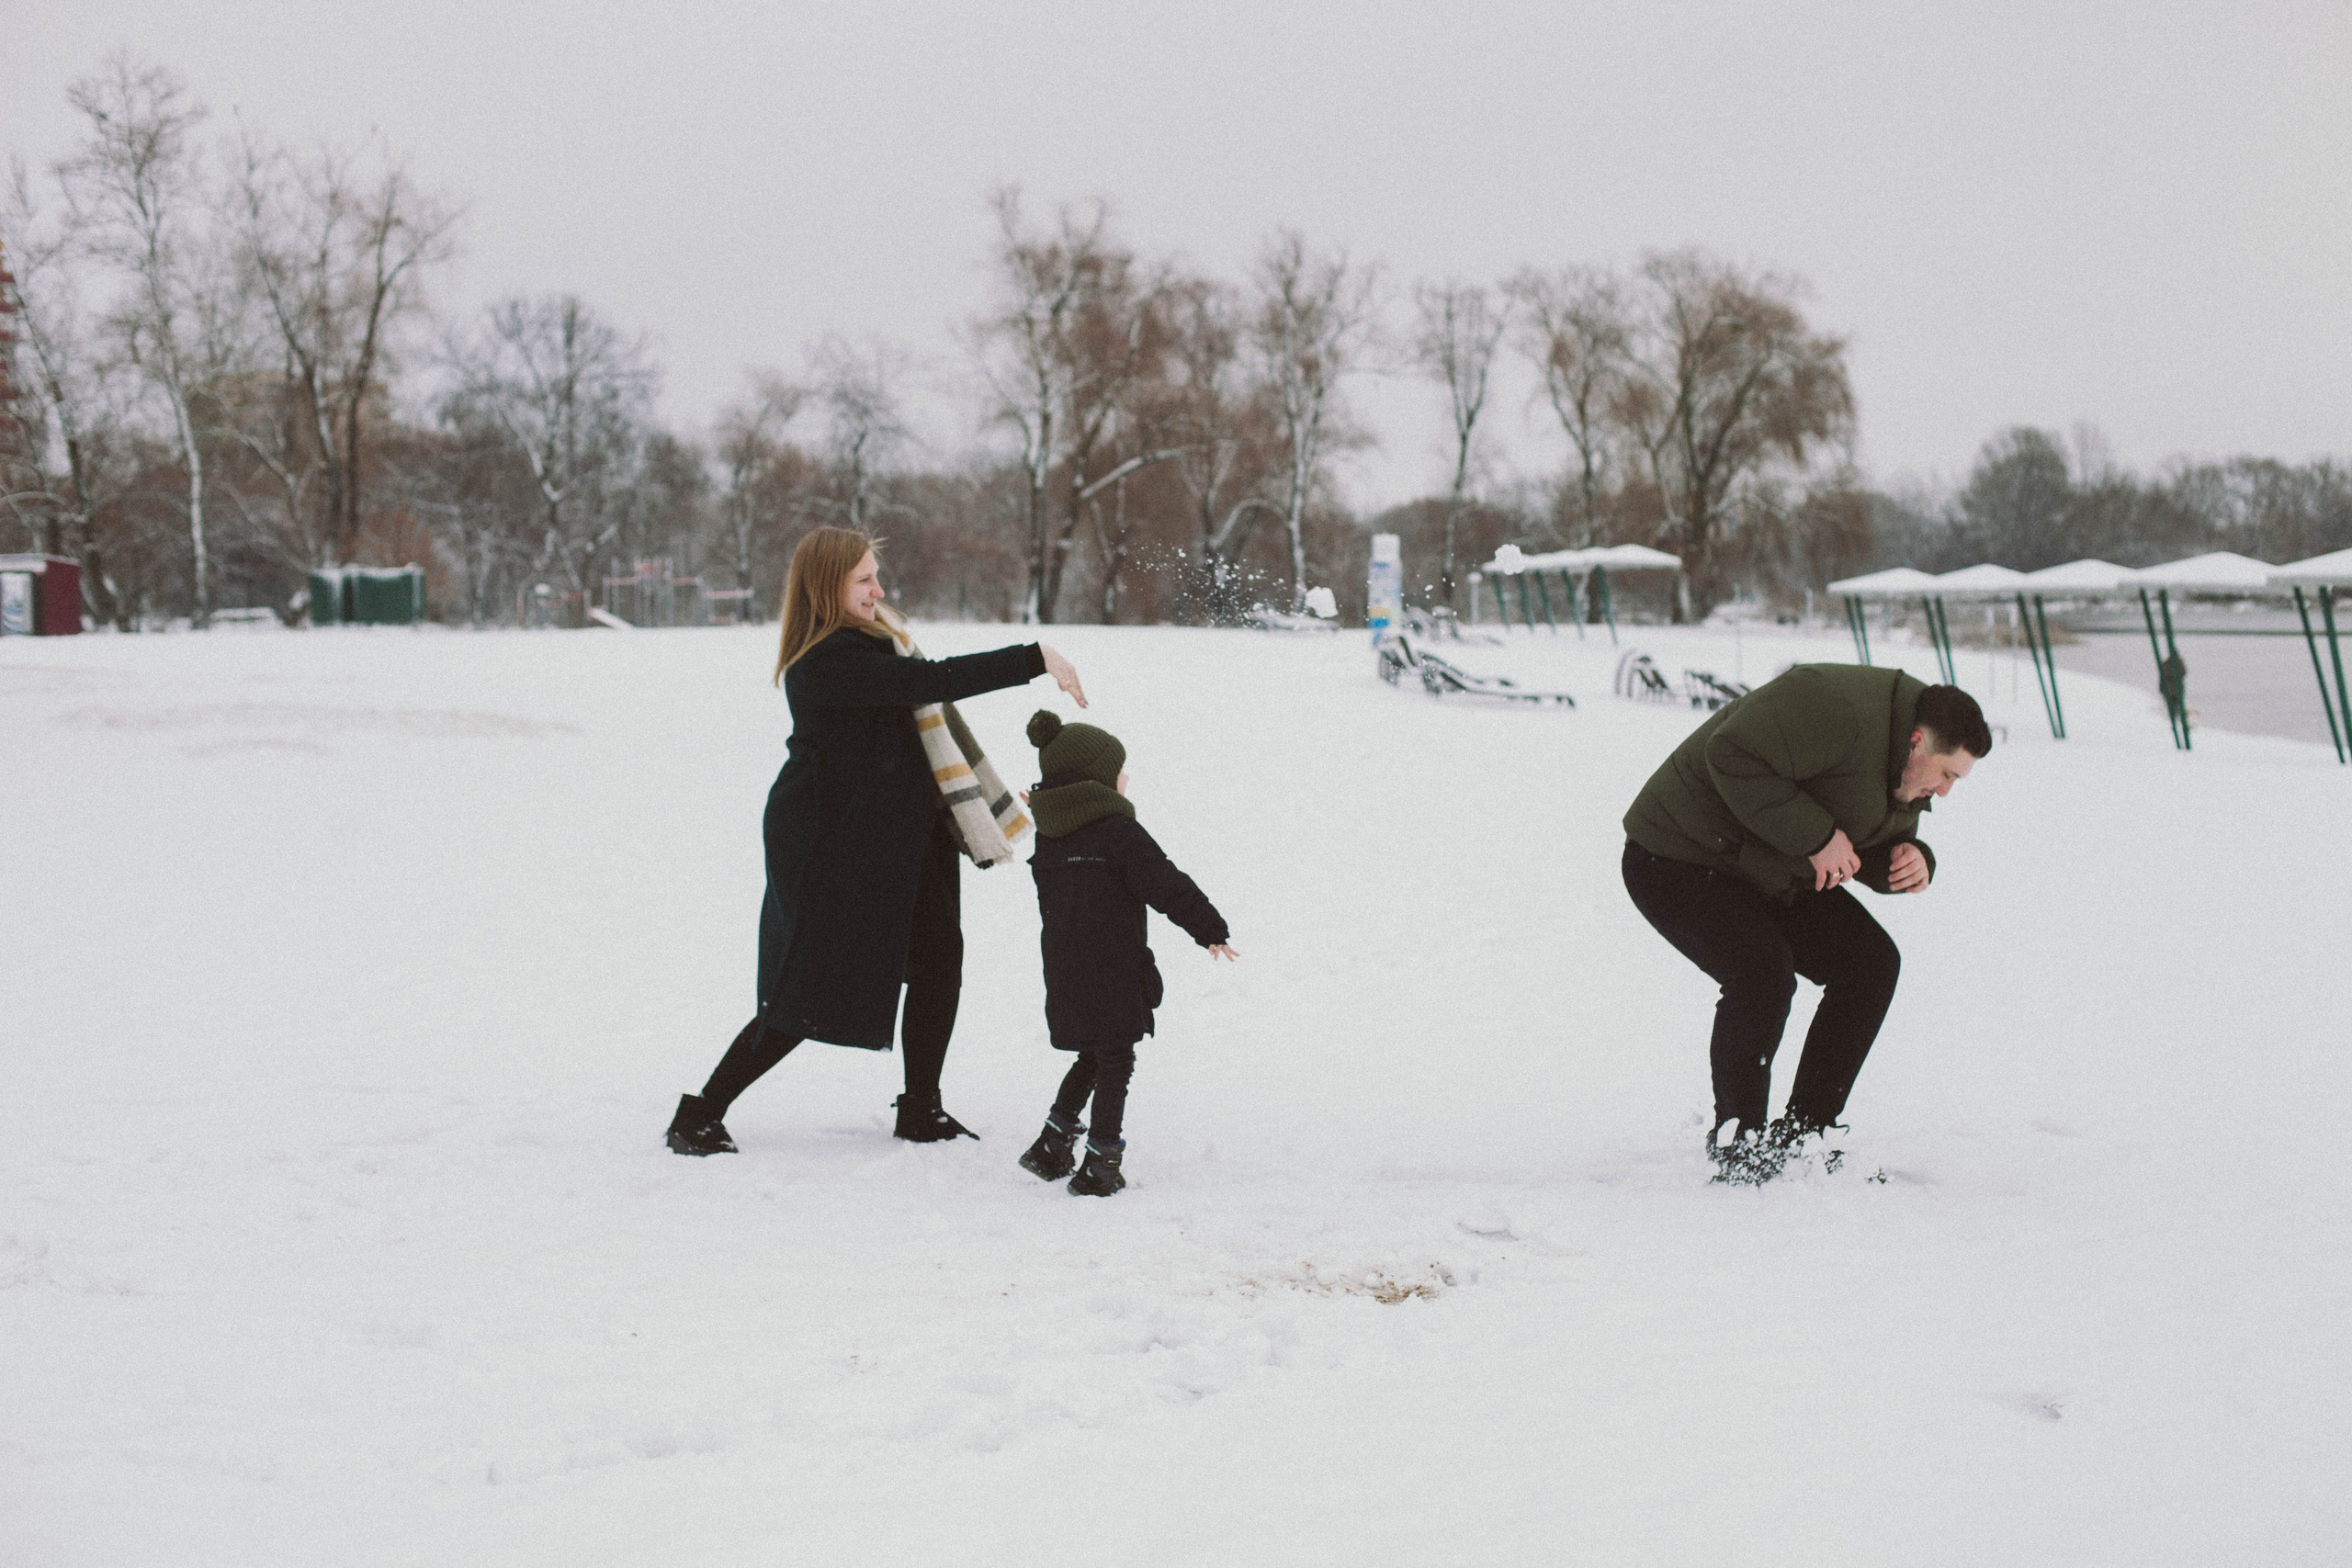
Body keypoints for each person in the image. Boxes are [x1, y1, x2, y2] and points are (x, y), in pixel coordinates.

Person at [665, 527, 1088, 1156]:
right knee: (807, 988)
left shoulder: (875, 641)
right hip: (830, 843)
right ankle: (699, 1113)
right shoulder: (828, 661)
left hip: (905, 829)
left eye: (875, 576)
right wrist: (1033, 657)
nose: (878, 589)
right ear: (826, 586)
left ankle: (922, 1107)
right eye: (863, 579)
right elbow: (932, 681)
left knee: (940, 962)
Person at [1620, 664, 1992, 1183]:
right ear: (1917, 742)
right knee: (1763, 974)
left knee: (1870, 964)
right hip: (1676, 854)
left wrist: (1910, 859)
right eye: (1948, 774)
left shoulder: (1906, 769)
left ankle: (1806, 1137)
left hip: (1768, 865)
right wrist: (1816, 837)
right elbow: (1729, 754)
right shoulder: (1834, 707)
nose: (1946, 792)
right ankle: (1740, 1144)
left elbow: (1867, 839)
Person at [1013, 711, 1236, 1196]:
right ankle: (1100, 1164)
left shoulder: (1050, 836)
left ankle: (1052, 1145)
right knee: (1115, 1060)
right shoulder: (1117, 833)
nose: (1126, 779)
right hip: (1112, 970)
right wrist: (1209, 928)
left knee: (1094, 1055)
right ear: (1095, 781)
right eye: (1118, 770)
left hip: (1066, 969)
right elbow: (1165, 882)